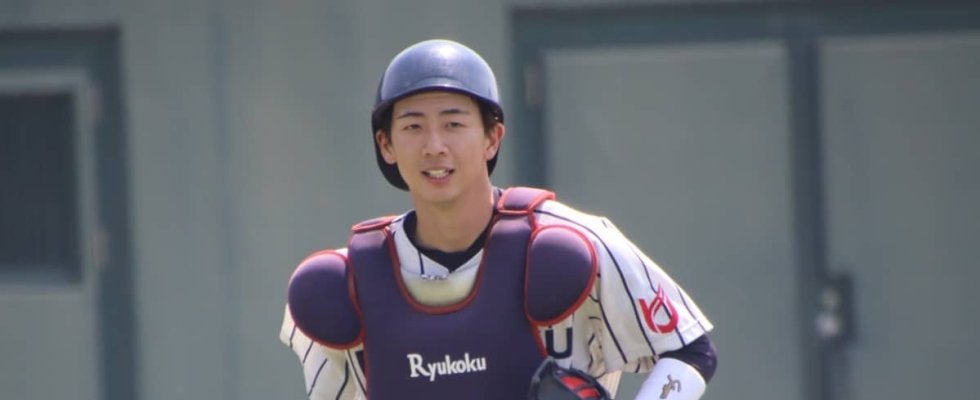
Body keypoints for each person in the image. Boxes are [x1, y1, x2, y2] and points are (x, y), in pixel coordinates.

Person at [279, 38, 717, 400]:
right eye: (413, 126)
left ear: (493, 137)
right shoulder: (349, 283)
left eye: (453, 124)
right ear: (386, 145)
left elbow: (691, 350)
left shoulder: (567, 242)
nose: (434, 145)